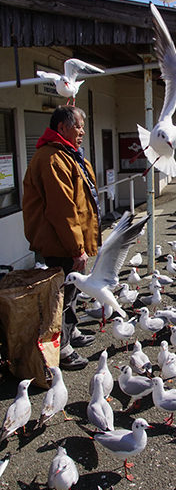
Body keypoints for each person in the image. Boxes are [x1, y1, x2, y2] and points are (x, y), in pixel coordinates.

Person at [22, 105, 101, 370]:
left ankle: (72, 332)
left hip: (69, 240)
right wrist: (77, 248)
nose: (82, 132)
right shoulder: (52, 158)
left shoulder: (67, 153)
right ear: (62, 128)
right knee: (62, 295)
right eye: (78, 126)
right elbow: (61, 209)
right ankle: (62, 348)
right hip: (60, 242)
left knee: (72, 289)